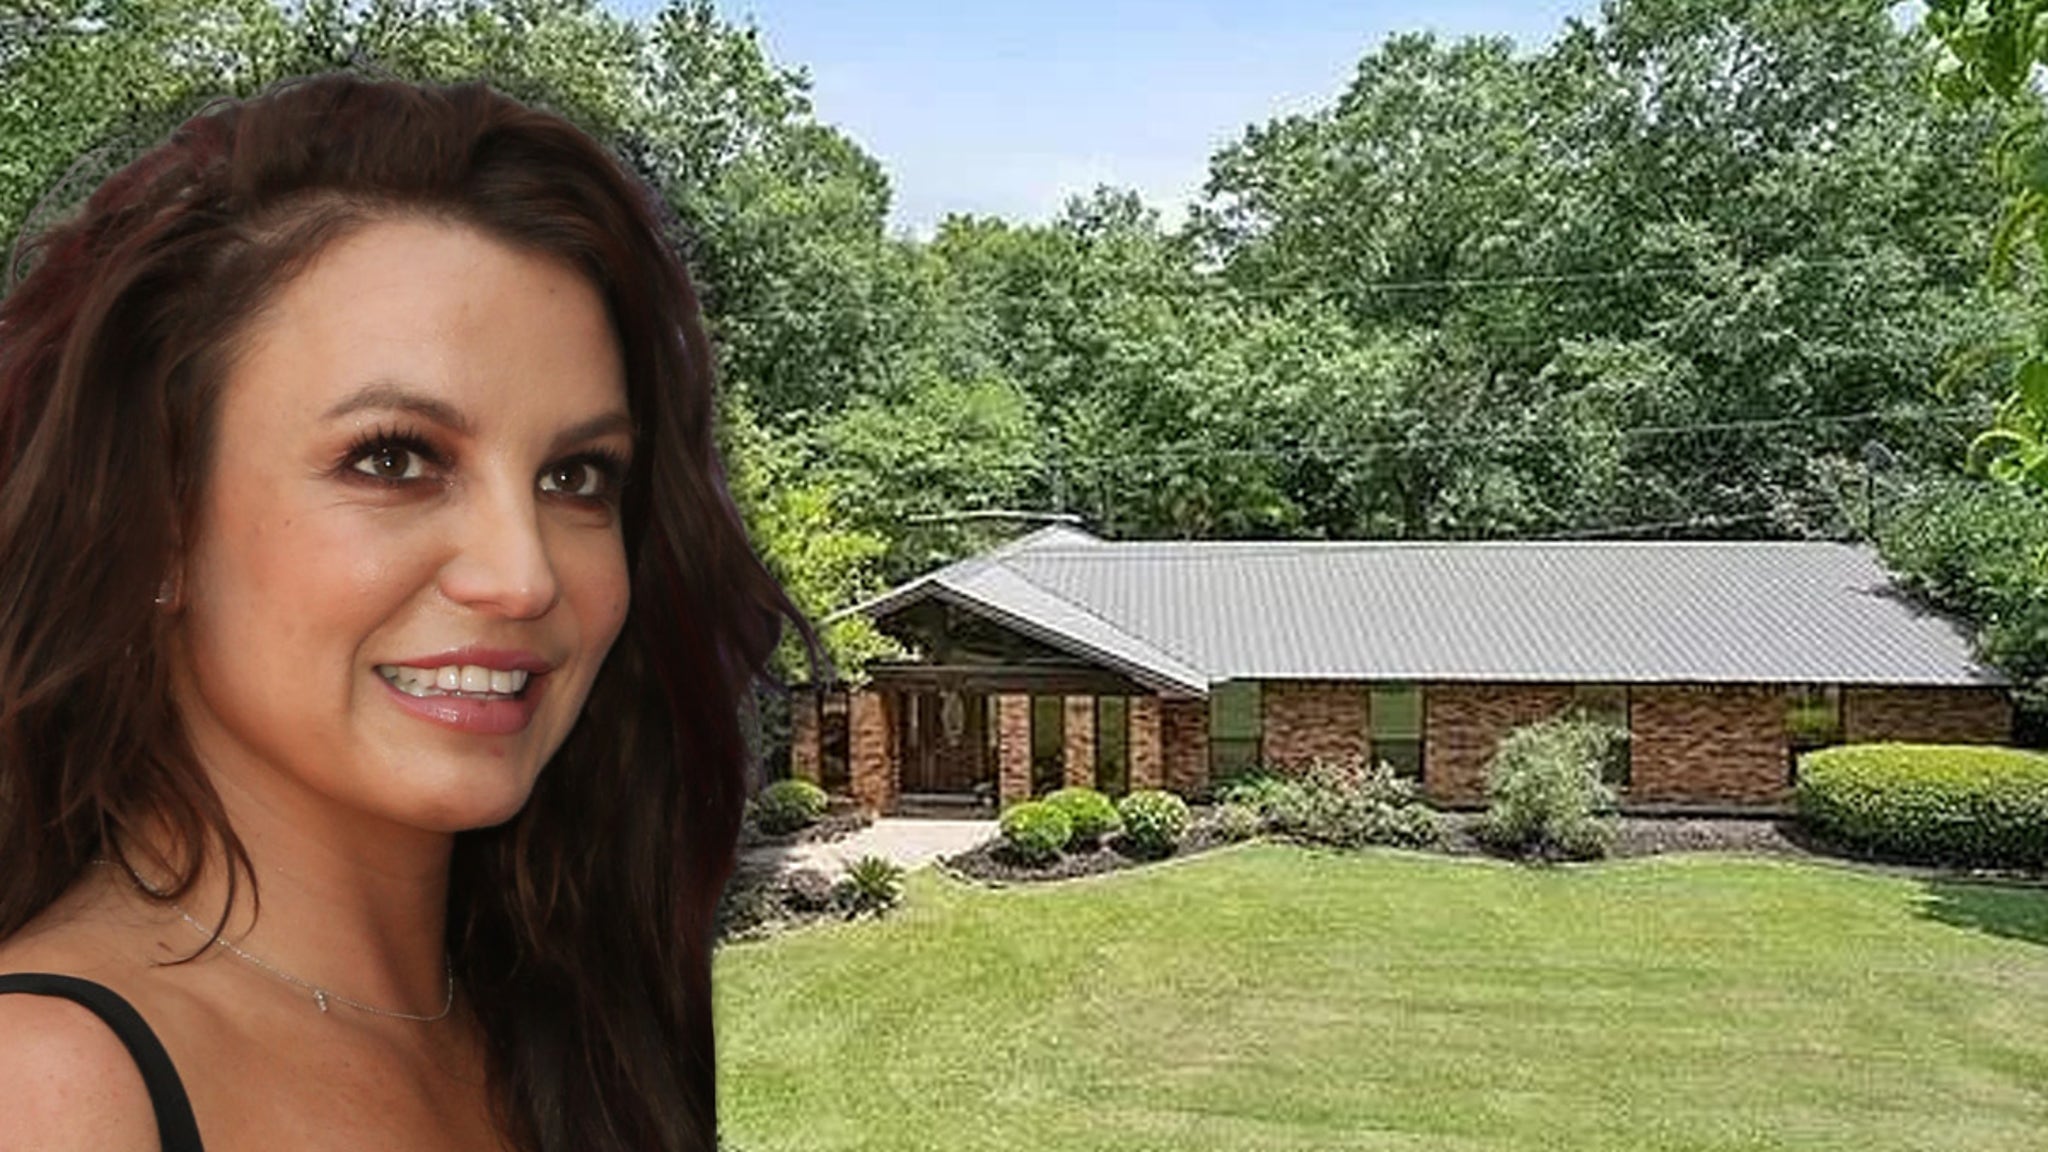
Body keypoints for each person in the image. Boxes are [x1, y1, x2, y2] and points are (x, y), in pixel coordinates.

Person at [0, 71, 820, 1152]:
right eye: (393, 459)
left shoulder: (565, 1018)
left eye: (577, 476)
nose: (523, 577)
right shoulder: (52, 1089)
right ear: (157, 523)